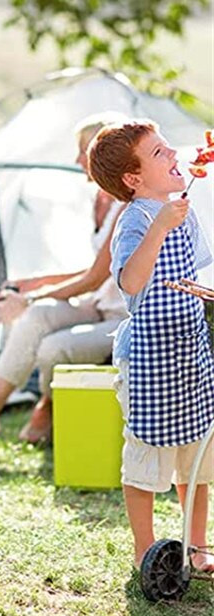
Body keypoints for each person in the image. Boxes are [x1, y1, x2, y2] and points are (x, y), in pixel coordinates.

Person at [0, 113, 130, 457]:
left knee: (51, 347)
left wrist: (28, 298)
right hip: (98, 307)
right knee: (39, 318)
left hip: (123, 319)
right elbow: (94, 269)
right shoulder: (100, 200)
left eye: (85, 151)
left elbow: (95, 277)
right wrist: (35, 285)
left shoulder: (125, 204)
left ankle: (47, 405)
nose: (77, 161)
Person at [88, 120, 213, 571]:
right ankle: (146, 550)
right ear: (133, 179)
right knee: (145, 459)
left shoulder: (183, 211)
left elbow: (197, 272)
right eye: (160, 153)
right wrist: (159, 227)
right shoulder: (135, 221)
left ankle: (196, 548)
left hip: (190, 354)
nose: (174, 156)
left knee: (195, 459)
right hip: (150, 360)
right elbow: (131, 282)